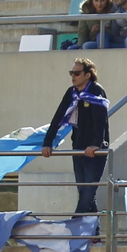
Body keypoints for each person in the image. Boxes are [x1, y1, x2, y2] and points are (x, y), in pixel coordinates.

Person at [39, 57, 110, 216]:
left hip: (95, 151)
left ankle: (72, 228)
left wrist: (96, 144)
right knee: (84, 192)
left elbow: (101, 121)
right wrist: (47, 142)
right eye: (72, 73)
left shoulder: (96, 91)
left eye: (77, 73)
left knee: (88, 194)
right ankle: (93, 235)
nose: (73, 76)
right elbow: (58, 117)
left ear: (88, 75)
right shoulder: (71, 93)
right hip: (78, 147)